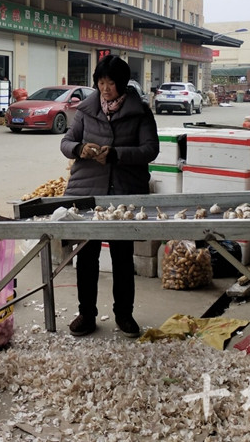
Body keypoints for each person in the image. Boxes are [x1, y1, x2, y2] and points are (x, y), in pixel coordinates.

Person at [60, 55, 159, 338]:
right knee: (87, 256)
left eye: (111, 83)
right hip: (87, 191)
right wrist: (80, 149)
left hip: (124, 191)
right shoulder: (86, 110)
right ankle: (86, 314)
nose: (105, 89)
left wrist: (117, 155)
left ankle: (124, 315)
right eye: (101, 82)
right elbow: (66, 142)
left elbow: (151, 149)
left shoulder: (139, 111)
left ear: (122, 84)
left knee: (121, 256)